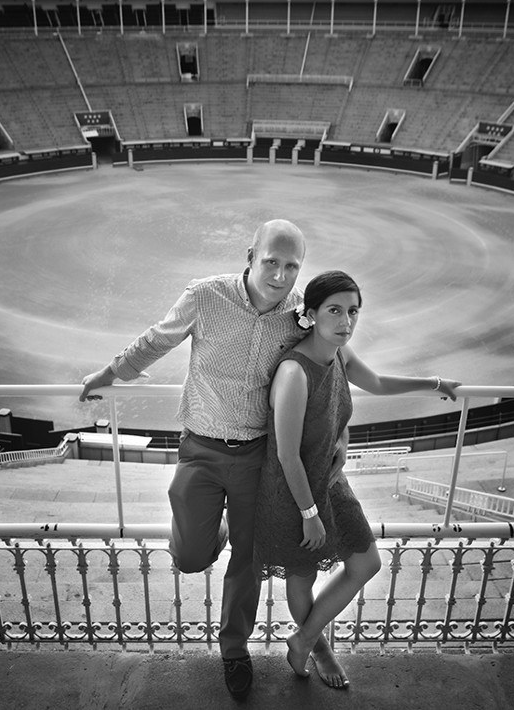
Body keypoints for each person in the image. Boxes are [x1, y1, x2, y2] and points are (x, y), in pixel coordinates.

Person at [78, 219, 309, 701]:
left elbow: (328, 361)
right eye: (272, 261)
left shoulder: (299, 312)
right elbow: (156, 340)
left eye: (292, 266)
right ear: (251, 255)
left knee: (248, 560)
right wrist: (108, 373)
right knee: (188, 556)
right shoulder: (206, 295)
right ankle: (217, 532)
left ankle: (234, 649)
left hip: (257, 456)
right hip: (201, 448)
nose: (281, 275)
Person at [255, 270, 460, 690]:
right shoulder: (294, 373)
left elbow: (378, 384)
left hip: (329, 482)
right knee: (302, 574)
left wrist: (436, 383)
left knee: (366, 562)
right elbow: (286, 453)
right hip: (293, 493)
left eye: (353, 312)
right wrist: (308, 513)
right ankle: (320, 648)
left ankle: (303, 639)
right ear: (310, 315)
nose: (345, 321)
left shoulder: (339, 355)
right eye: (334, 311)